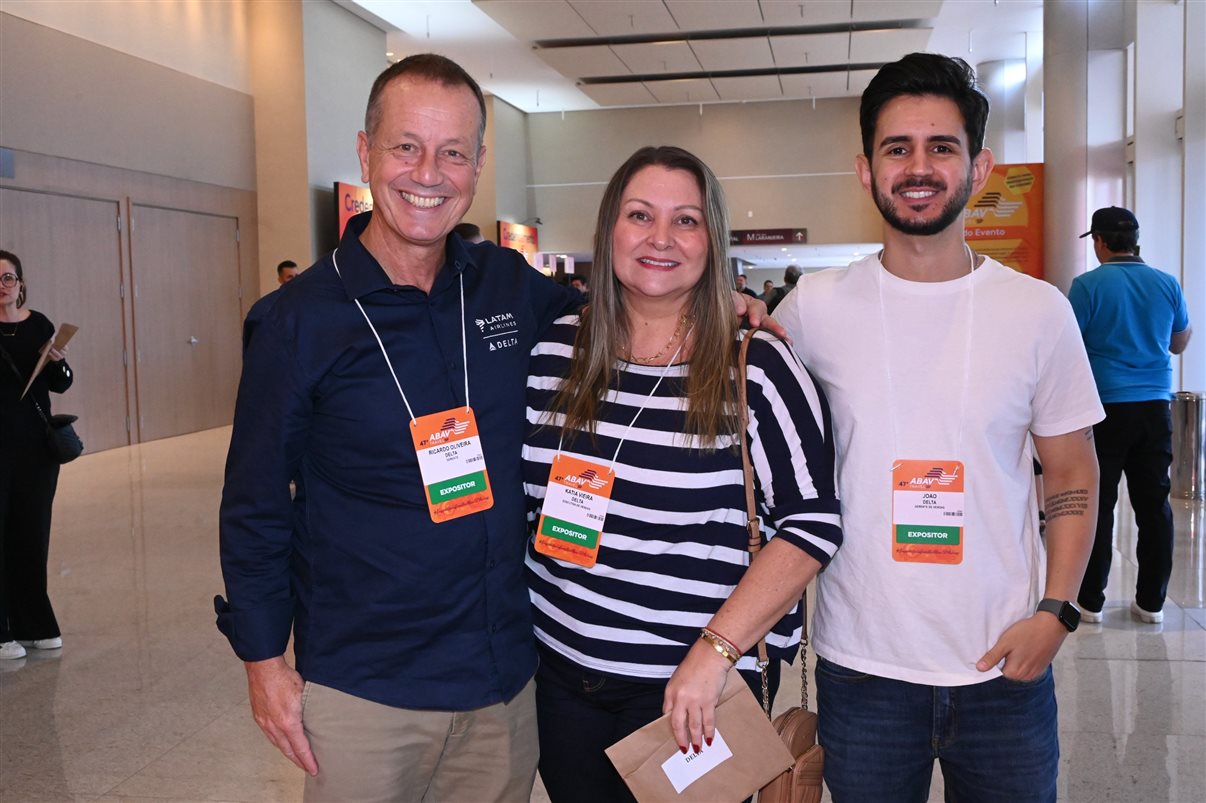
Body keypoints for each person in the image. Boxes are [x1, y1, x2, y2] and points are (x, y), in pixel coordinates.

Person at [216, 54, 775, 801]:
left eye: (453, 152)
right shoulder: (297, 322)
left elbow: (630, 303)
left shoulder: (509, 288)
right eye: (406, 146)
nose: (429, 172)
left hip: (505, 685)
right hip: (366, 689)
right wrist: (262, 660)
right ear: (365, 152)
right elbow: (254, 507)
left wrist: (724, 301)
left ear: (479, 164)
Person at [774, 53, 1103, 802]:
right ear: (866, 170)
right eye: (898, 148)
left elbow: (1074, 471)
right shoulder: (813, 310)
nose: (918, 167)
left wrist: (1056, 611)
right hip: (863, 672)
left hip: (1006, 667)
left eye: (941, 147)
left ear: (978, 166)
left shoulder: (1037, 311)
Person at [522, 146, 841, 803]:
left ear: (712, 238)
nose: (661, 238)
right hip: (559, 679)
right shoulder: (555, 350)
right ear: (610, 228)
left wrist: (712, 655)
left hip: (690, 691)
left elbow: (813, 524)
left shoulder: (756, 366)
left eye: (686, 220)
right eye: (640, 215)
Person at [1071, 206, 1192, 624]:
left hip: (1104, 408)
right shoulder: (1166, 284)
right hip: (1155, 406)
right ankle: (1152, 603)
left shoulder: (1087, 286)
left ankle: (1090, 601)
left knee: (1099, 505)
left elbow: (1069, 346)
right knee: (1154, 504)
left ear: (1101, 242)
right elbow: (1179, 341)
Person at [0, 250, 73, 661]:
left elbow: (59, 384)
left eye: (8, 278)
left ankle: (33, 622)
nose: (3, 286)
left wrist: (59, 365)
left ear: (21, 283)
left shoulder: (40, 324)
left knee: (32, 532)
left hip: (34, 448)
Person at [242, 260, 301, 352]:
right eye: (289, 277)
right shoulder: (271, 303)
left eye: (297, 276)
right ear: (280, 279)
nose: (294, 280)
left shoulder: (304, 300)